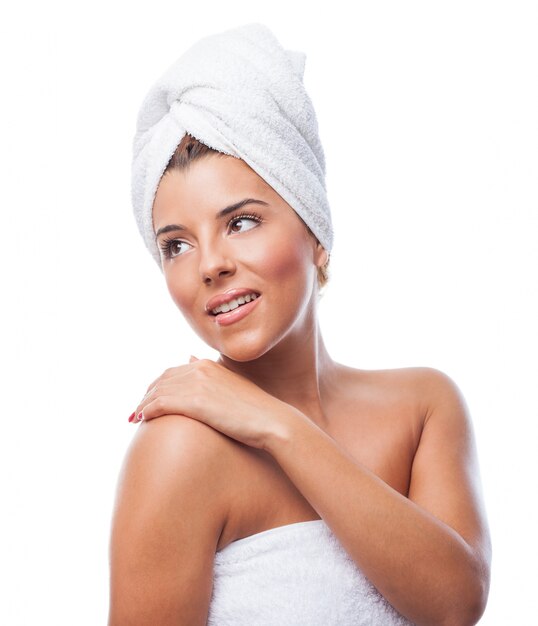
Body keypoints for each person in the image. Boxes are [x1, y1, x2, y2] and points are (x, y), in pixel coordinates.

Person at [108, 23, 491, 626]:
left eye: (240, 222)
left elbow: (454, 605)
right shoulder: (179, 450)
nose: (210, 265)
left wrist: (276, 427)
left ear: (314, 231)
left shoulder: (423, 407)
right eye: (176, 245)